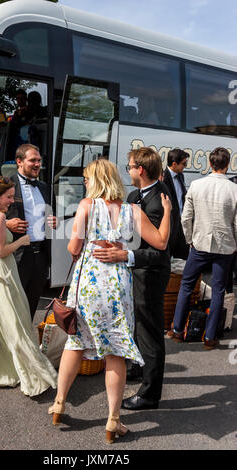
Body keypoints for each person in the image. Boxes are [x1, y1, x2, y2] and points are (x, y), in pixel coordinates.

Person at [47, 158, 171, 443]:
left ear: (97, 180)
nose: (85, 183)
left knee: (76, 342)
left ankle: (60, 403)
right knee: (116, 352)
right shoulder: (133, 209)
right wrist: (166, 212)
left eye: (88, 178)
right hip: (118, 288)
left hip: (89, 285)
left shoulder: (87, 206)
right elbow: (162, 242)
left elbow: (74, 247)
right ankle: (113, 420)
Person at [93, 147, 172, 411]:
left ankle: (150, 395)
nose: (127, 171)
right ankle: (140, 368)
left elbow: (160, 250)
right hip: (134, 272)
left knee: (150, 334)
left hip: (150, 274)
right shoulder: (134, 195)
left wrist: (125, 255)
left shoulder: (160, 199)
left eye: (129, 167)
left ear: (141, 169)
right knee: (136, 326)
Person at [0, 176, 57, 396]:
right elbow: (0, 251)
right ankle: (33, 376)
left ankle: (0, 372)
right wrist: (21, 242)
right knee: (17, 325)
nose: (12, 201)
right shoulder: (0, 216)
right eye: (9, 197)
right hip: (1, 273)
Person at [168, 147, 237, 349]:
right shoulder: (234, 189)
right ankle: (210, 337)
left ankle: (178, 330)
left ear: (209, 164)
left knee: (186, 286)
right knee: (218, 291)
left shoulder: (196, 185)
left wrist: (190, 239)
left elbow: (186, 218)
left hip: (199, 245)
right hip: (224, 248)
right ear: (227, 165)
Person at [5, 143, 57, 321]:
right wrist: (6, 223)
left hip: (41, 255)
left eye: (39, 160)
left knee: (32, 305)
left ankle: (26, 344)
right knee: (12, 305)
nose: (37, 164)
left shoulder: (44, 187)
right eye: (33, 160)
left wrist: (53, 221)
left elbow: (51, 216)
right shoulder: (5, 184)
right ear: (19, 161)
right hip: (18, 256)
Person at [163, 148, 189, 259]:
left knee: (182, 255)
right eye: (184, 163)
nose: (185, 166)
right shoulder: (163, 178)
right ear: (174, 164)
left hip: (181, 221)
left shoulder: (180, 176)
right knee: (168, 253)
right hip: (170, 222)